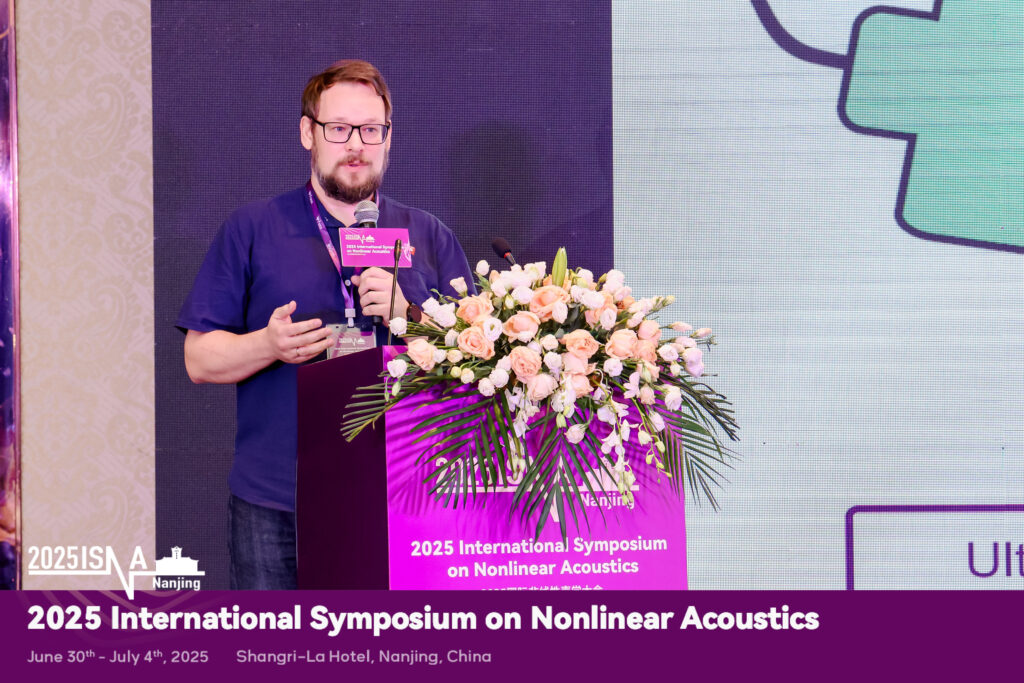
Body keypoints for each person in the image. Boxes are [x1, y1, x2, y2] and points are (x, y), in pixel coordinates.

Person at [176, 59, 473, 589]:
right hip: (277, 504)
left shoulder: (428, 236)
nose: (356, 145)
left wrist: (410, 317)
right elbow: (198, 360)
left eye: (371, 130)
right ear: (307, 133)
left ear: (388, 137)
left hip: (403, 500)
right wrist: (268, 344)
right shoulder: (253, 228)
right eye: (338, 129)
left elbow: (479, 373)